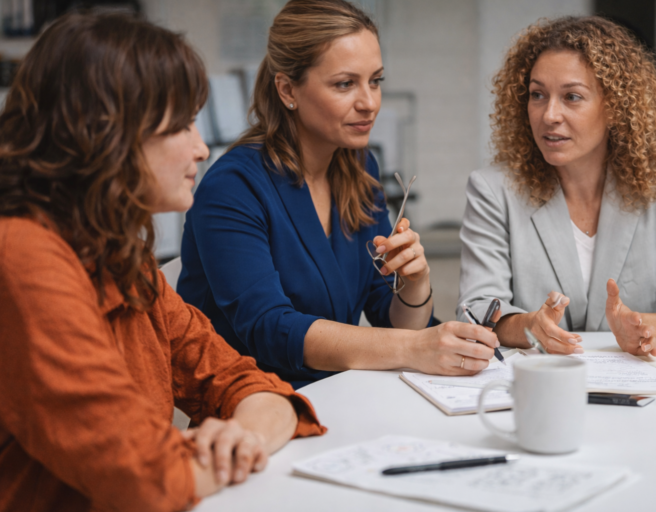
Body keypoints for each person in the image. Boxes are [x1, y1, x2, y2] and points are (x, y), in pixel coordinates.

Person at [0, 13, 325, 512]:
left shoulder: (121, 257)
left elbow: (248, 383)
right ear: (104, 133)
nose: (200, 148)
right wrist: (218, 454)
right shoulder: (23, 257)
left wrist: (245, 437)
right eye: (181, 125)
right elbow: (139, 477)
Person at [178, 0, 498, 389]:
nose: (369, 102)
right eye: (345, 84)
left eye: (375, 80)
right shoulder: (232, 187)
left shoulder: (358, 170)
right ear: (287, 89)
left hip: (339, 396)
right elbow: (270, 329)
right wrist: (415, 347)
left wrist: (415, 284)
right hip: (253, 410)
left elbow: (387, 315)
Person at [458, 16, 656, 356]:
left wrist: (647, 327)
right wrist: (530, 326)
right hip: (537, 389)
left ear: (614, 108)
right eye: (537, 95)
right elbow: (476, 309)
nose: (549, 115)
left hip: (637, 396)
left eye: (572, 97)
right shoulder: (493, 190)